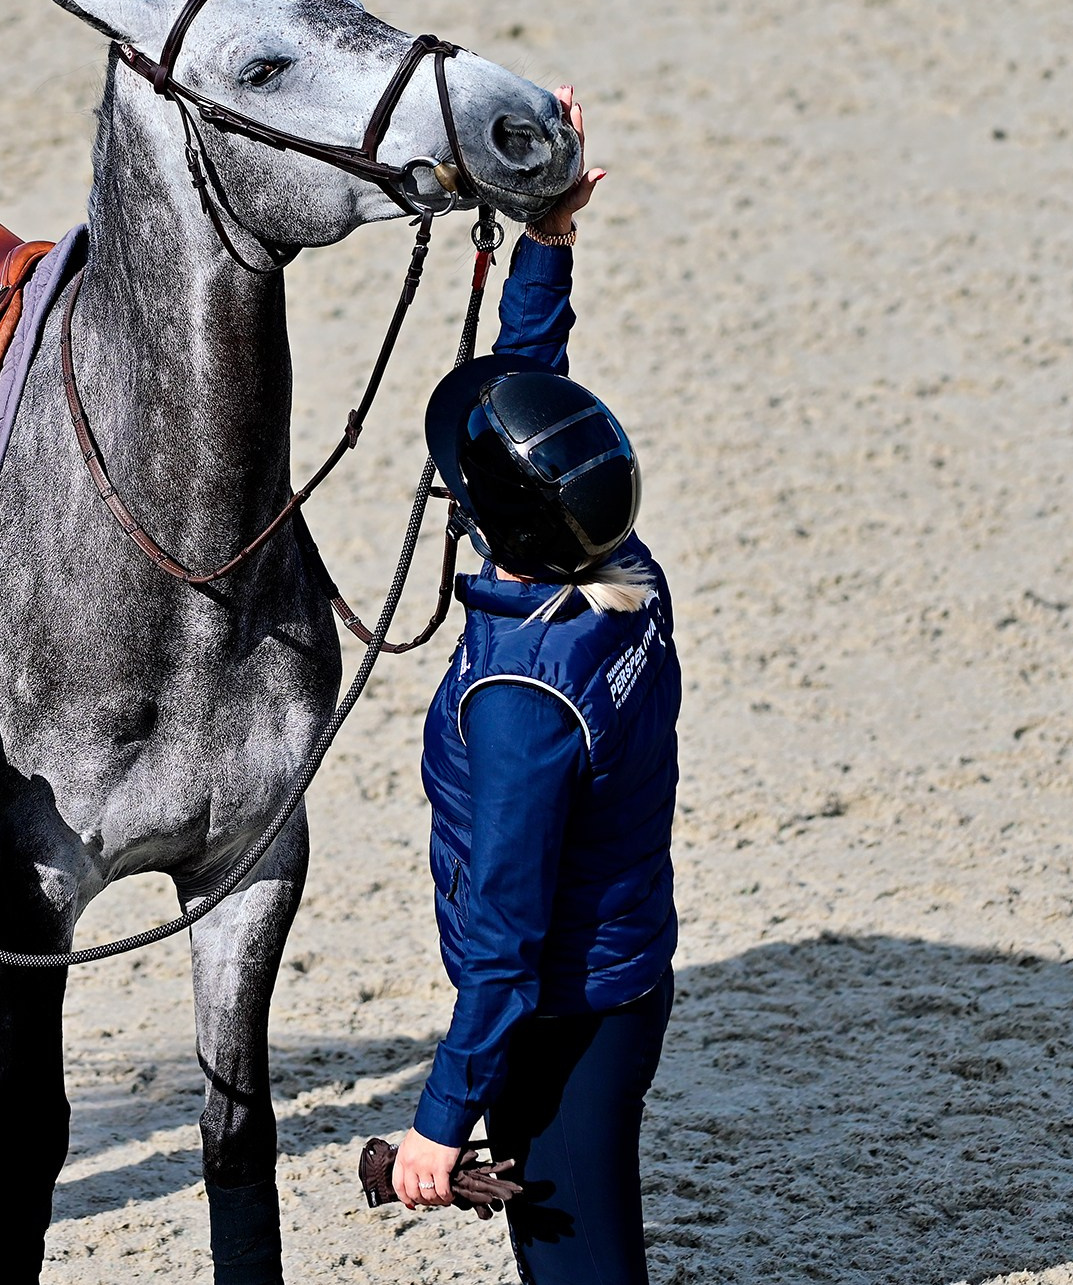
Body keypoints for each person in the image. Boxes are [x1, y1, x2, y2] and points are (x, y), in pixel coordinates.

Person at [393, 89, 680, 1285]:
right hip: (623, 976)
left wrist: (435, 1120)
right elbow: (527, 395)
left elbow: (505, 939)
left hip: (554, 1009)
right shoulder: (620, 575)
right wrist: (543, 246)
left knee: (576, 1263)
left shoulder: (517, 703)